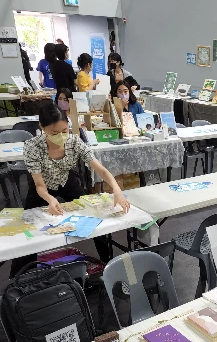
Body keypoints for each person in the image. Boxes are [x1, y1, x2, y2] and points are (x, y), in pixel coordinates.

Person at [11, 104, 130, 277]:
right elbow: (39, 185)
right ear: (42, 127)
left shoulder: (74, 141)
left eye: (64, 131)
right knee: (29, 229)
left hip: (67, 181)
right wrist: (50, 199)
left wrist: (116, 190)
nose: (61, 136)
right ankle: (21, 277)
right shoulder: (32, 146)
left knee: (93, 218)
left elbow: (101, 170)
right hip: (42, 188)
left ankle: (108, 264)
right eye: (54, 133)